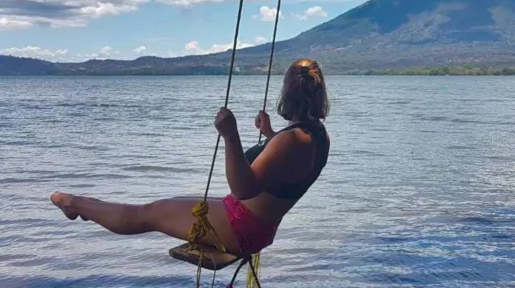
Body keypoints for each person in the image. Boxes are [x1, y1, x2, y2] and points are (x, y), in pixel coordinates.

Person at [50, 58, 331, 257]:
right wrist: (270, 133)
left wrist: (230, 136)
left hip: (240, 227)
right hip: (255, 226)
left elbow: (243, 189)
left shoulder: (290, 140)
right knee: (168, 204)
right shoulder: (316, 136)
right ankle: (88, 207)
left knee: (148, 214)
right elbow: (289, 168)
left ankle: (75, 205)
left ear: (287, 92)